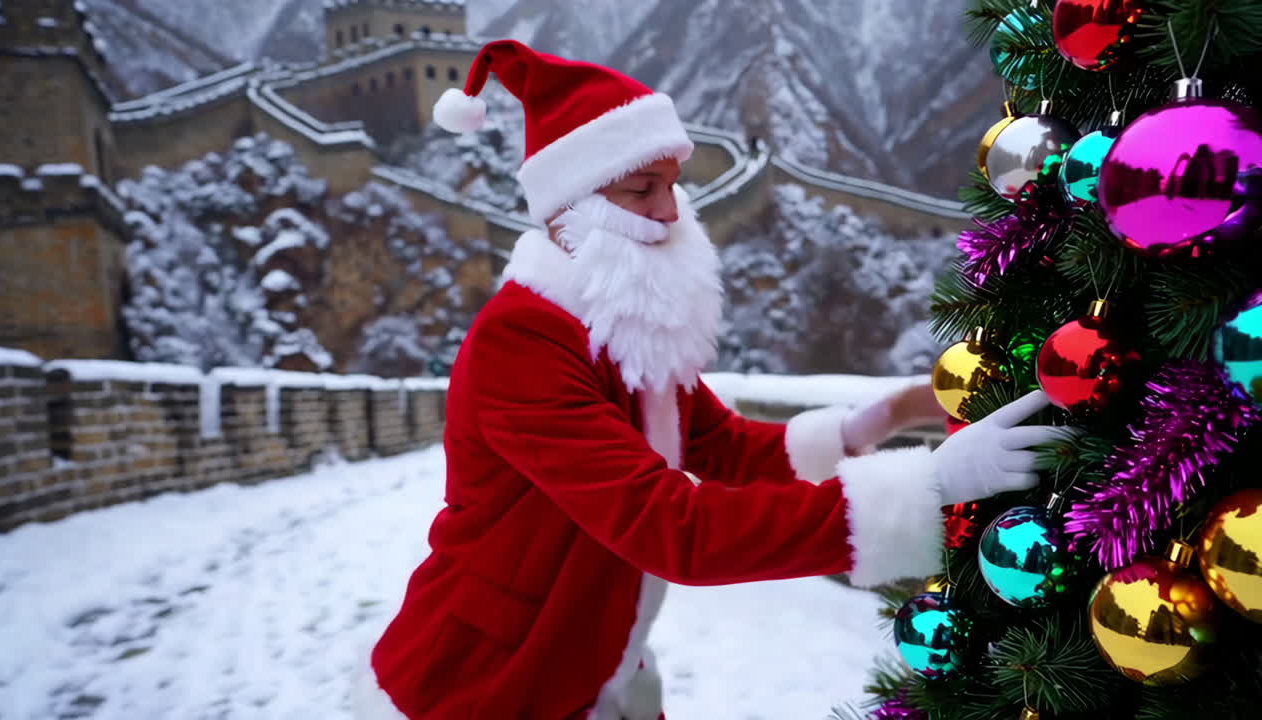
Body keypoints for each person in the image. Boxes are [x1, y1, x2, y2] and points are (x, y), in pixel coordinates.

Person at [352, 39, 1066, 720]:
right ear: (571, 207)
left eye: (673, 185)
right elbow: (673, 528)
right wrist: (927, 488)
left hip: (588, 658)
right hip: (490, 681)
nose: (671, 212)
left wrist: (876, 420)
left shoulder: (617, 321)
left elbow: (721, 446)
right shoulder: (524, 341)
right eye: (643, 189)